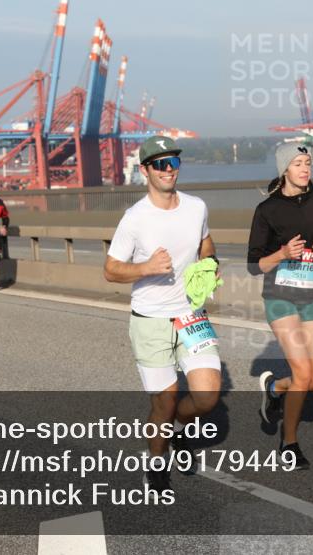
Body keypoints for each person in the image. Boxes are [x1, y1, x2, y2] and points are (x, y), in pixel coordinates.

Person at [104, 136, 221, 493]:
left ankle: (177, 430)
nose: (168, 169)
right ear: (145, 171)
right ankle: (156, 464)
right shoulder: (134, 219)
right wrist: (146, 267)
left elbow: (206, 243)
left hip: (191, 316)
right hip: (150, 321)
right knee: (165, 400)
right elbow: (110, 270)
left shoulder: (196, 207)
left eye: (173, 162)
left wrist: (211, 265)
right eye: (160, 164)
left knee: (207, 396)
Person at [247, 143, 313, 470]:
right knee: (303, 372)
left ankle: (274, 388)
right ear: (285, 169)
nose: (305, 169)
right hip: (280, 297)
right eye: (298, 163)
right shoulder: (267, 210)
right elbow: (254, 265)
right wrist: (283, 254)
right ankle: (289, 443)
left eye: (308, 163)